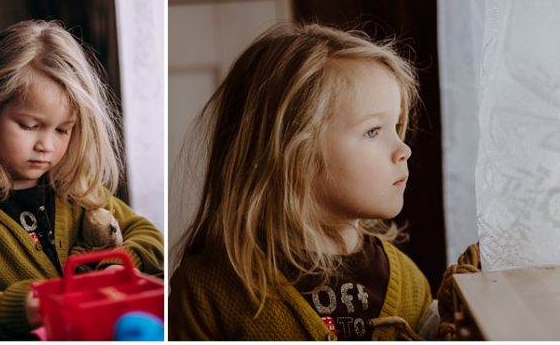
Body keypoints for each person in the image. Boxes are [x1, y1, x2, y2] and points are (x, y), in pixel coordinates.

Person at [169, 23, 433, 340]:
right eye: (373, 131)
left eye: (398, 126)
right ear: (292, 152)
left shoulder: (411, 284)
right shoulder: (206, 292)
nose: (403, 149)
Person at [0, 20, 164, 340]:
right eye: (28, 125)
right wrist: (28, 305)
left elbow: (151, 238)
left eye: (62, 130)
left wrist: (116, 266)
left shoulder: (76, 188)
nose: (47, 145)